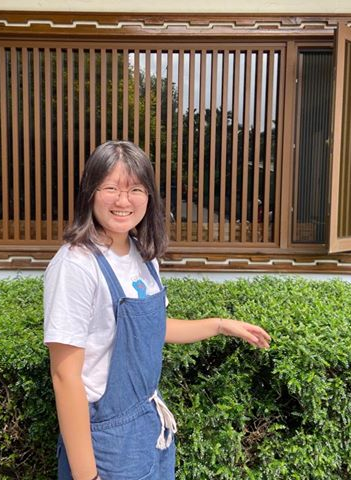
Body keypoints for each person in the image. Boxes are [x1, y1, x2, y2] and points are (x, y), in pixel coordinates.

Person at [43, 141, 271, 480]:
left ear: (149, 196)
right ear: (90, 193)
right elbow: (65, 377)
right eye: (111, 188)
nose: (123, 201)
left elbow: (153, 328)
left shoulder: (142, 255)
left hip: (149, 425)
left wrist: (221, 325)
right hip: (105, 442)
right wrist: (86, 475)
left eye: (135, 189)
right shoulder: (76, 265)